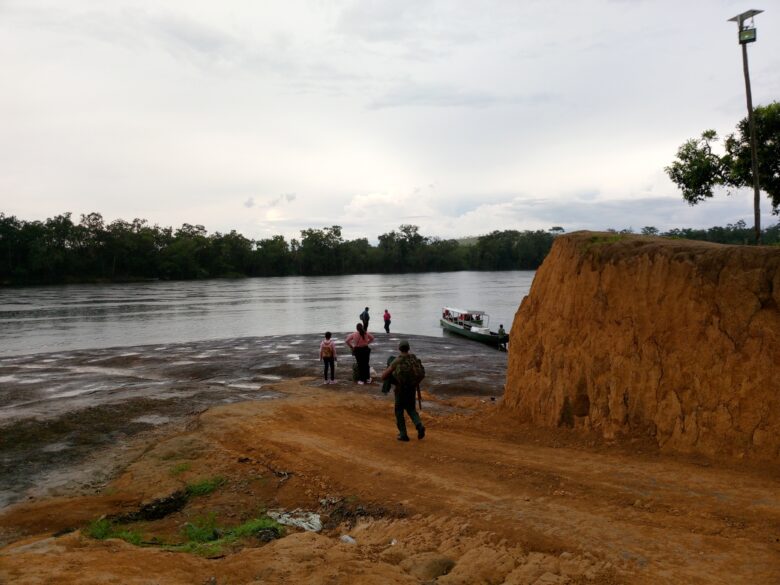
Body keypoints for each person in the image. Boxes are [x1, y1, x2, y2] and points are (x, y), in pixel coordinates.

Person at [381, 340, 426, 442]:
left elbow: (383, 376)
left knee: (399, 411)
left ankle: (403, 434)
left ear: (399, 349)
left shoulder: (397, 360)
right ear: (408, 348)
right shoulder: (413, 358)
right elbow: (421, 373)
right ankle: (419, 425)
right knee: (411, 409)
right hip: (412, 388)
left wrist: (390, 374)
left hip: (400, 390)